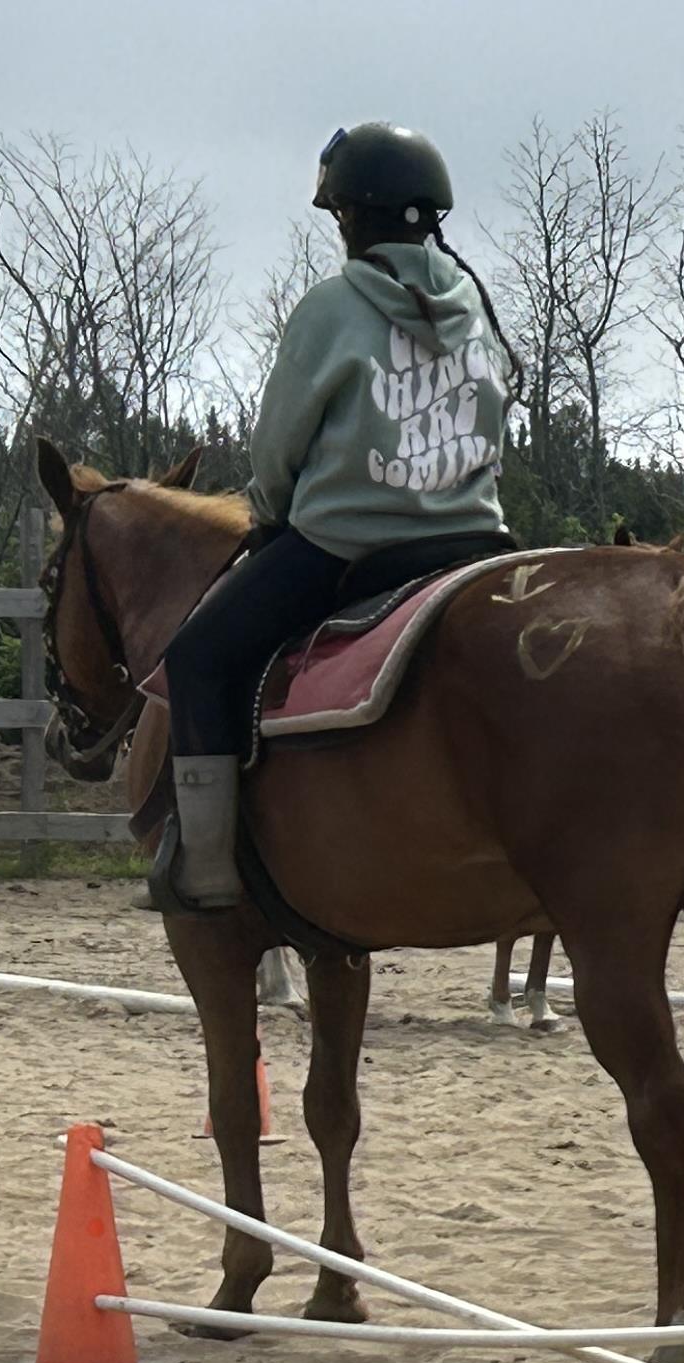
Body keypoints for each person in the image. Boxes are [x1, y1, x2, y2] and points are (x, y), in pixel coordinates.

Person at [153, 122, 512, 913]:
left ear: (356, 217)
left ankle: (207, 868)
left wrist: (273, 514)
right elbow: (494, 421)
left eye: (341, 214)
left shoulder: (331, 307)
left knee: (199, 659)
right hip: (474, 541)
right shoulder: (476, 307)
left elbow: (280, 441)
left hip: (349, 547)